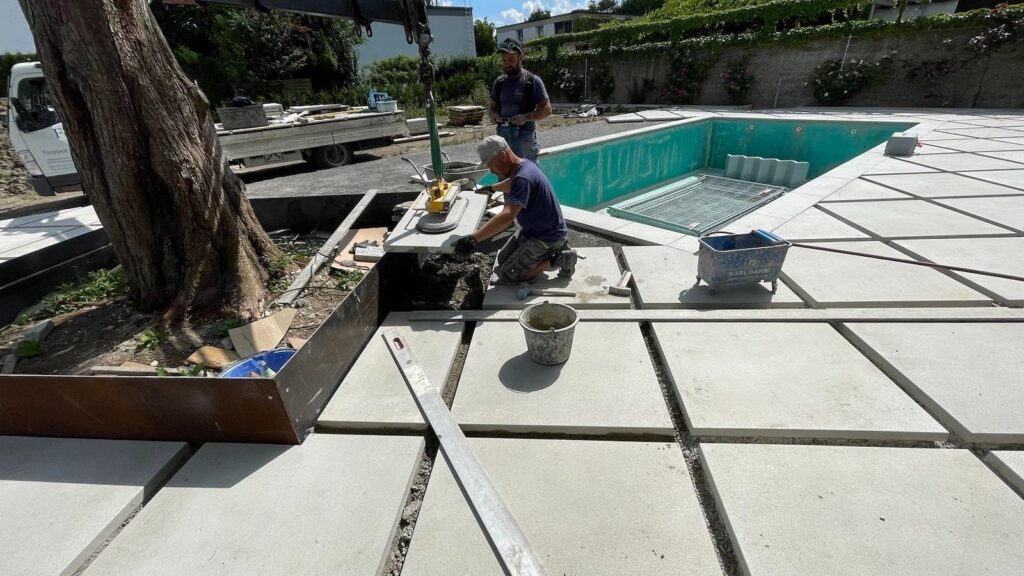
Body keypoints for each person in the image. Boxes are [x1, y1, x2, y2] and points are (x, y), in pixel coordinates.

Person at [453, 135, 576, 282]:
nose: (491, 171)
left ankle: (560, 258)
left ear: (503, 156)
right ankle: (542, 256)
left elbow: (507, 216)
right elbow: (512, 183)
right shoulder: (524, 166)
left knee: (510, 274)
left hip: (547, 237)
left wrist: (472, 240)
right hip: (534, 231)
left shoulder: (523, 178)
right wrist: (492, 188)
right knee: (502, 260)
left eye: (490, 165)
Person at [489, 38, 552, 163]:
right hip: (503, 140)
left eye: (511, 59)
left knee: (528, 178)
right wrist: (493, 114)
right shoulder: (499, 83)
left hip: (525, 140)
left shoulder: (532, 81)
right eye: (504, 60)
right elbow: (492, 107)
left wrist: (526, 117)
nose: (507, 64)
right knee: (505, 178)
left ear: (521, 57)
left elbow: (547, 109)